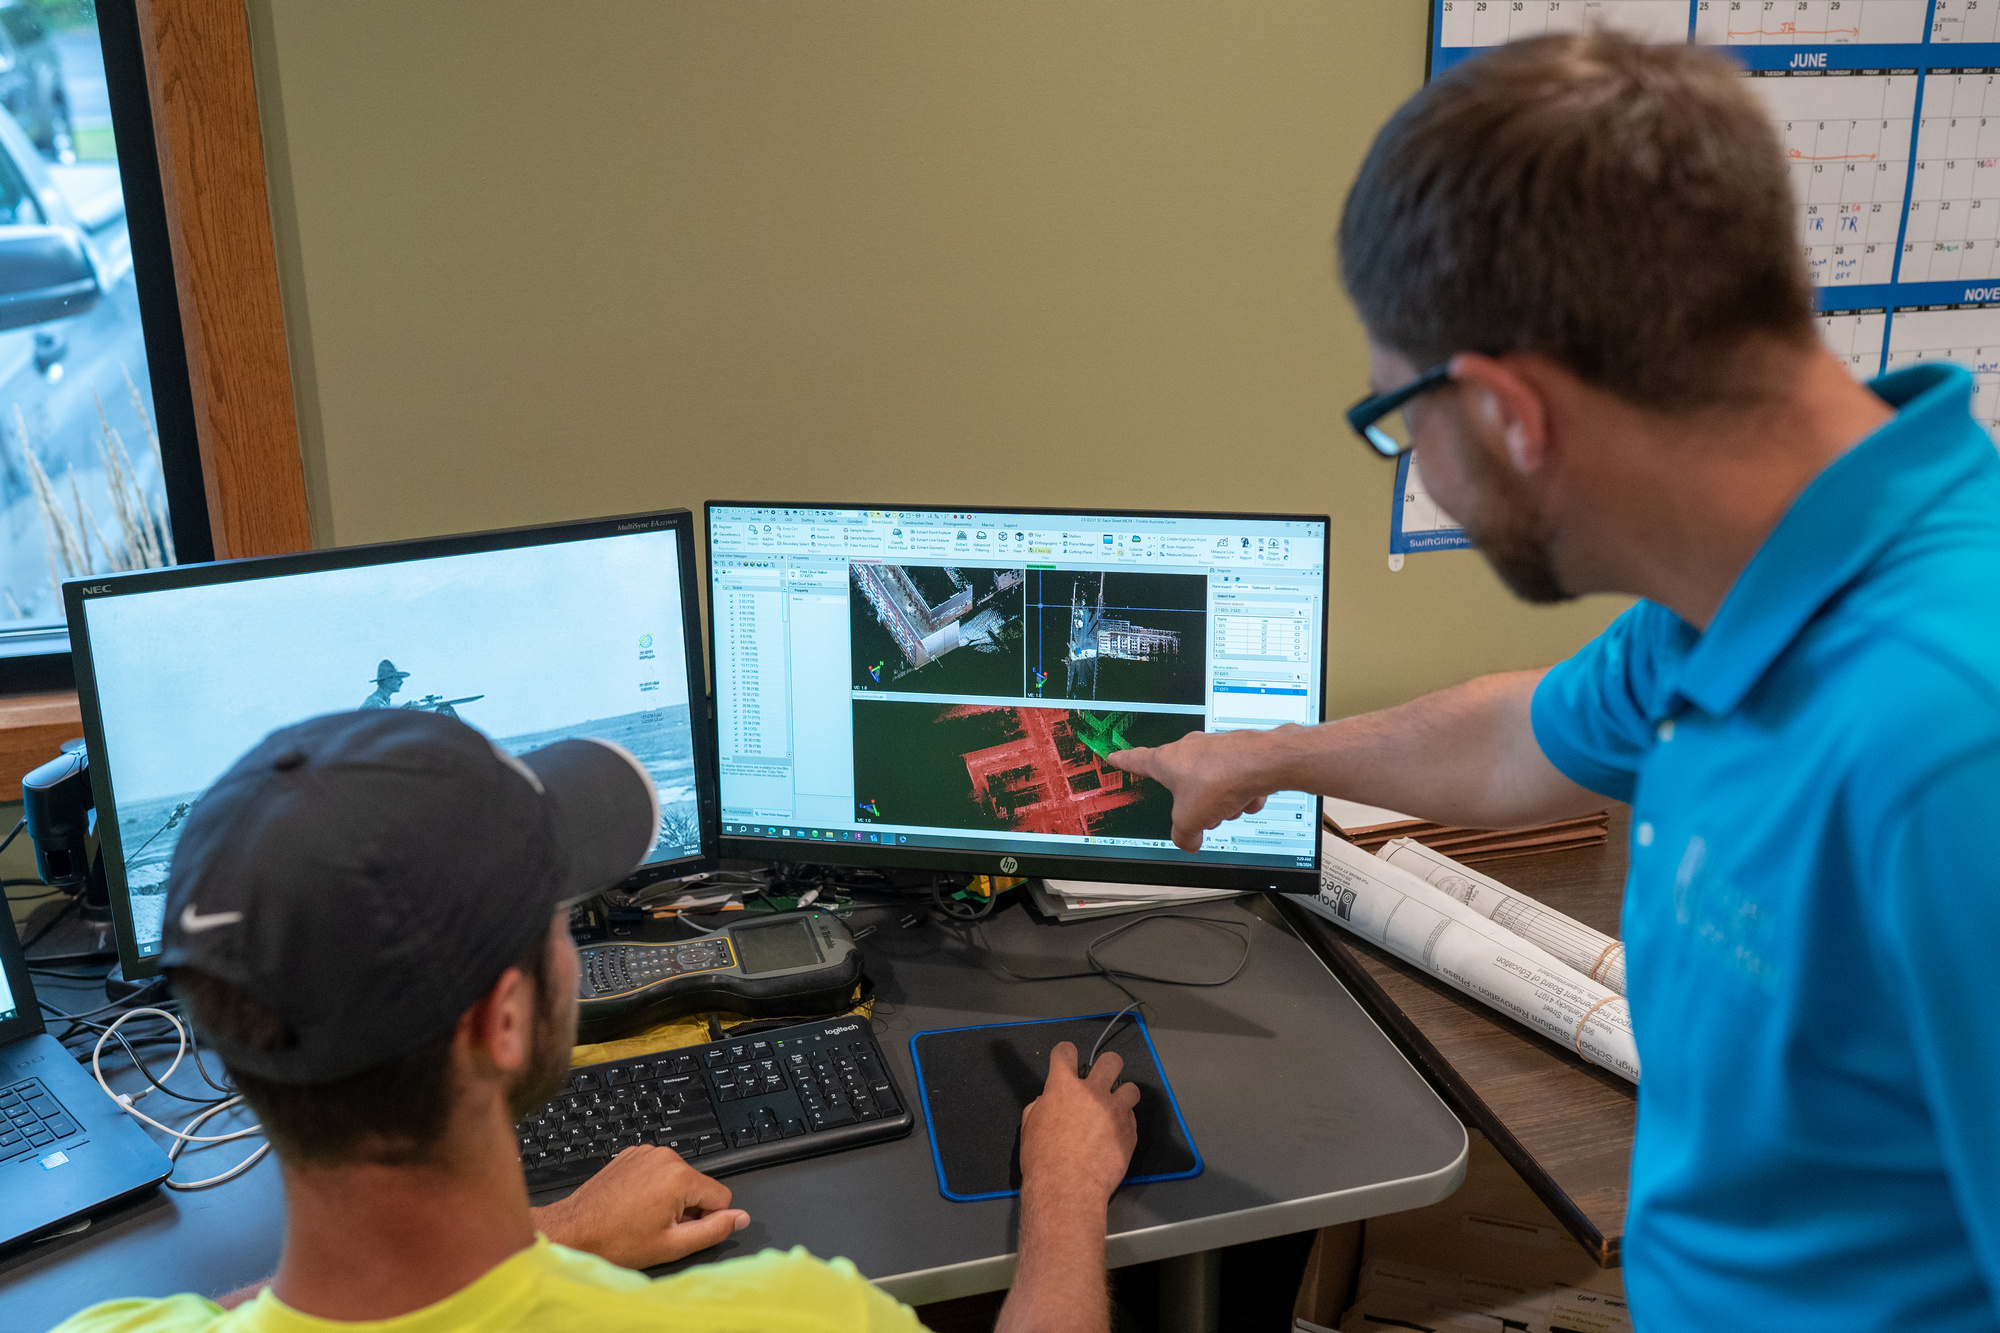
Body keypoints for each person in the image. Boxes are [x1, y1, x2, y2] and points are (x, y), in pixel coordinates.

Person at [1110, 33, 2000, 1333]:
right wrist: (1264, 755)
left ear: (1508, 415)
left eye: (1401, 425)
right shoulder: (1736, 592)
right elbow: (1508, 739)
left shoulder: (1948, 748)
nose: (1421, 468)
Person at [53, 709, 1142, 1333]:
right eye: (557, 917)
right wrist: (1060, 1192)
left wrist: (558, 1229)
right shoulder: (792, 1316)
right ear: (506, 1021)